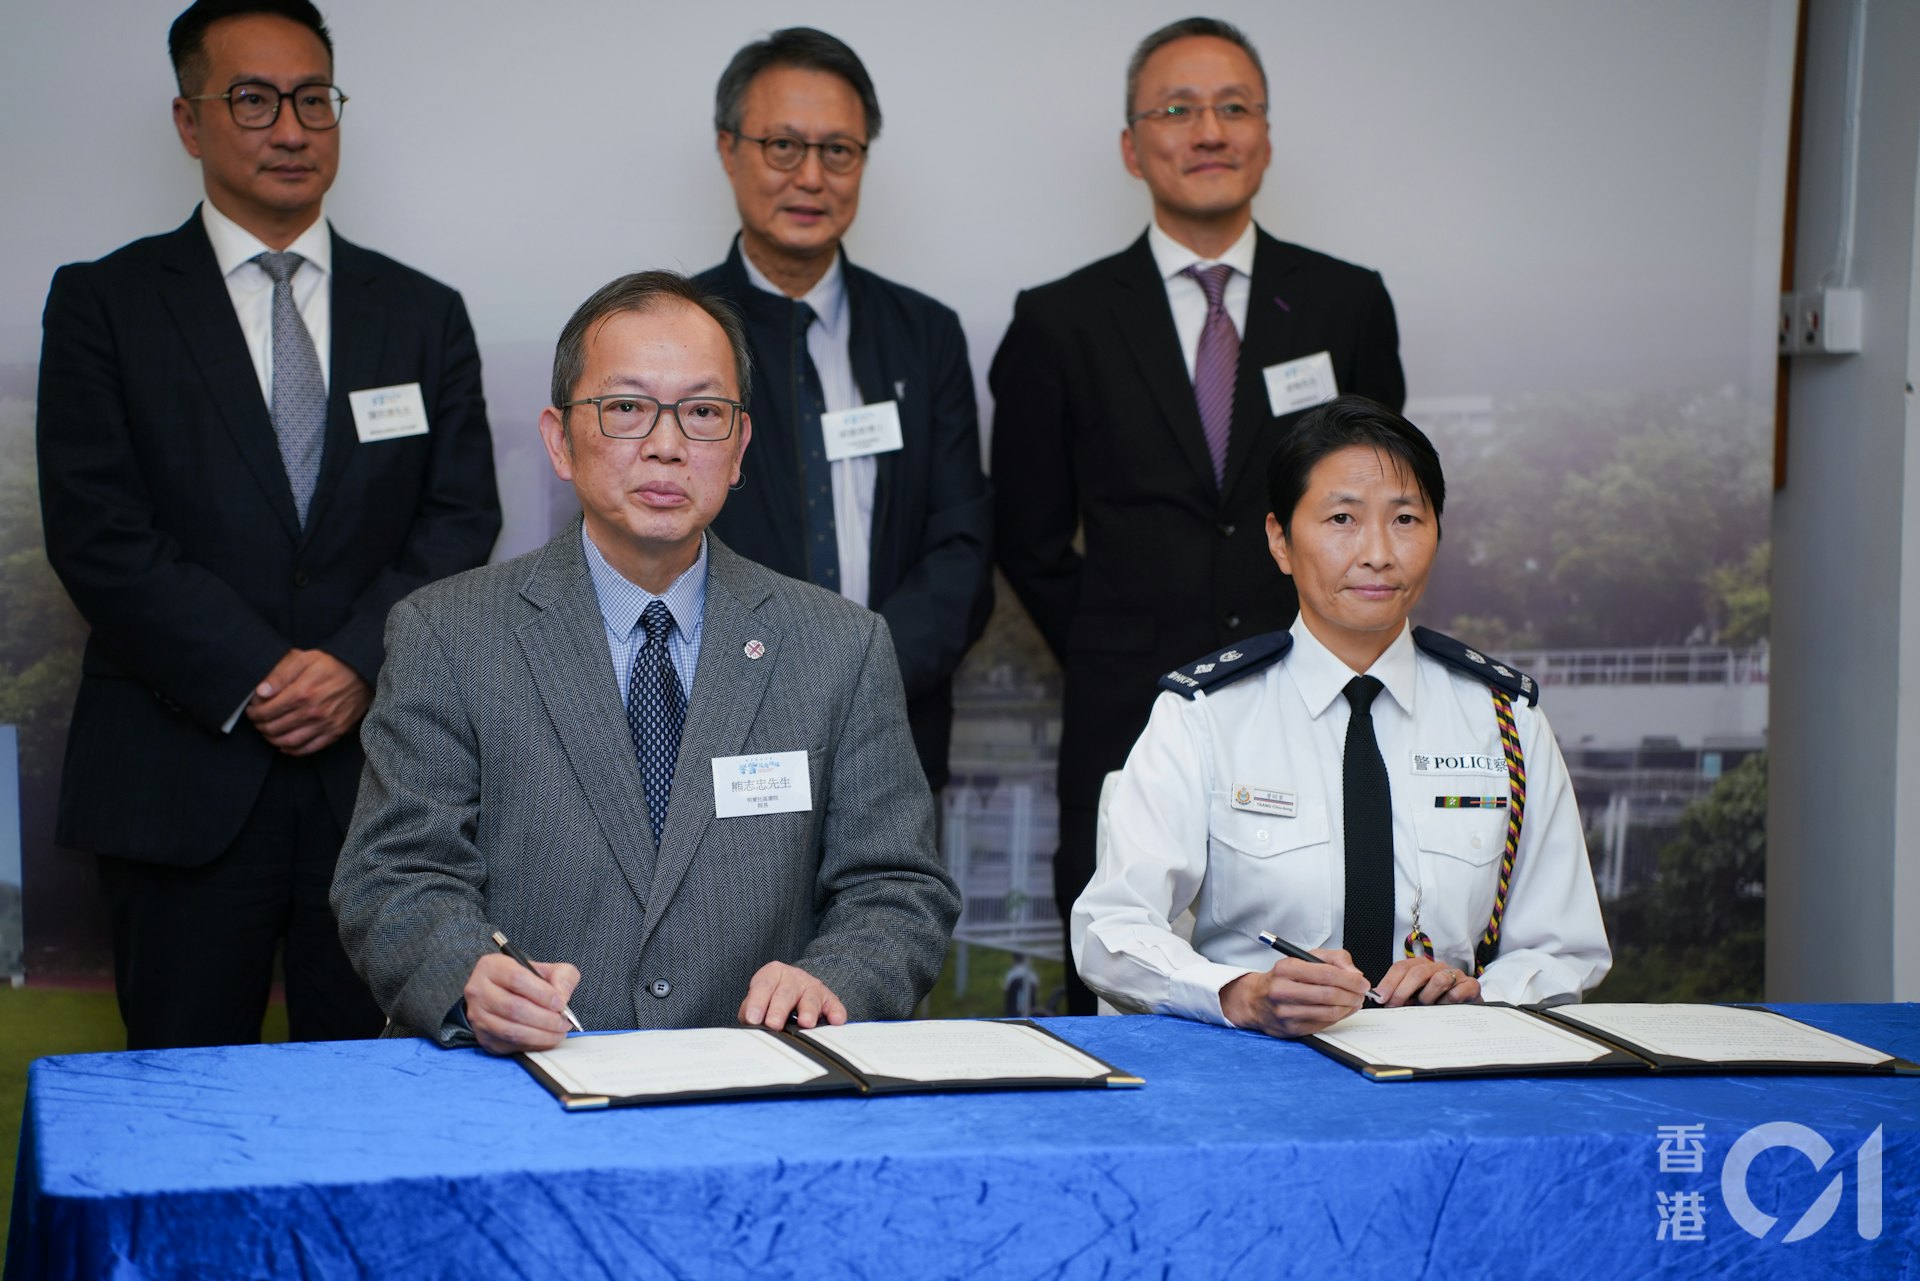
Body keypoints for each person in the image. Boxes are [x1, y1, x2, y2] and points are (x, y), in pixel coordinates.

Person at [331, 271, 961, 1054]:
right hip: (524, 1084)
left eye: (702, 412)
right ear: (560, 439)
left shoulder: (840, 645)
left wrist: (835, 974)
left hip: (759, 1080)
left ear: (738, 448)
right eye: (627, 408)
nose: (666, 444)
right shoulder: (448, 634)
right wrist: (468, 971)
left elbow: (896, 887)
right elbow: (393, 873)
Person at [35, 0, 500, 1050]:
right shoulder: (106, 304)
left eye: (312, 99)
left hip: (375, 786)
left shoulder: (422, 312)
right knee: (184, 1105)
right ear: (190, 121)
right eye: (253, 99)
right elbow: (99, 530)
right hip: (180, 773)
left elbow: (460, 515)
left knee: (374, 1105)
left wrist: (350, 662)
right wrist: (256, 673)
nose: (291, 128)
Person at [989, 18, 1406, 1012]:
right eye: (1177, 109)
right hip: (1127, 706)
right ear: (1133, 146)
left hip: (1309, 700)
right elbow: (1029, 533)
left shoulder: (1348, 305)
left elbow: (1381, 509)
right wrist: (1117, 639)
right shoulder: (1061, 320)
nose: (1207, 130)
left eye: (1233, 107)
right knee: (1123, 982)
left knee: (1325, 991)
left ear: (1265, 135)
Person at [1072, 396, 1610, 1037]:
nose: (1378, 552)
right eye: (1342, 519)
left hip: (1452, 1072)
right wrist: (1240, 993)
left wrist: (1482, 995)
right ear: (1280, 541)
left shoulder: (1504, 720)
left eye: (1406, 518)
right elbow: (1110, 929)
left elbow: (1565, 947)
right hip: (1261, 1071)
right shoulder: (1205, 716)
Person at [697, 27, 992, 794]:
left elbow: (960, 542)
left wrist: (864, 673)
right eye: (782, 146)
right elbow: (641, 534)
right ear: (729, 149)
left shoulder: (925, 334)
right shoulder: (673, 330)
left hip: (895, 719)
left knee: (893, 911)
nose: (812, 177)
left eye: (839, 151)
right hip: (719, 720)